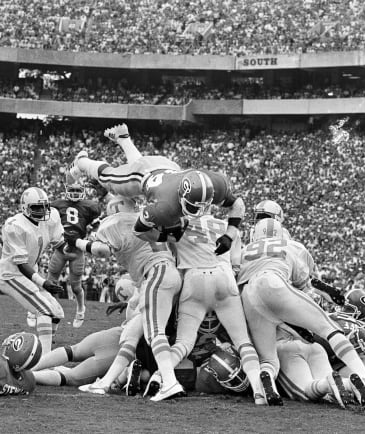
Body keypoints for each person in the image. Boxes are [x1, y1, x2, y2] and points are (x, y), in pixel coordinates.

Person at [238, 217, 365, 409]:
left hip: (249, 297)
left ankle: (265, 383)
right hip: (277, 286)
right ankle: (364, 377)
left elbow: (233, 291)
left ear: (254, 235)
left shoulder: (243, 252)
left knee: (270, 361)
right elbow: (307, 287)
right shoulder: (292, 246)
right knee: (329, 330)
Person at [69, 194, 183, 402]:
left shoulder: (117, 222)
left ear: (117, 206)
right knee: (132, 334)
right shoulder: (148, 218)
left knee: (153, 333)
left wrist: (79, 242)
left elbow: (102, 250)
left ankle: (170, 381)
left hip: (155, 274)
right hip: (168, 274)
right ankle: (105, 383)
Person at [72, 124, 245, 256]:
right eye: (193, 207)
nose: (198, 212)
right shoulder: (165, 208)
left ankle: (124, 139)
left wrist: (229, 235)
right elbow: (139, 230)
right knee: (109, 179)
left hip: (168, 167)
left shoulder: (215, 184)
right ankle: (82, 161)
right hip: (140, 176)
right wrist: (165, 237)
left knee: (138, 162)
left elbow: (237, 203)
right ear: (182, 197)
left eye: (203, 206)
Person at [163, 214, 269, 405]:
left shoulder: (180, 224)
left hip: (193, 280)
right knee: (243, 342)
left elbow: (171, 258)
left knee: (181, 343)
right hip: (224, 278)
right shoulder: (227, 226)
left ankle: (158, 376)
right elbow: (237, 266)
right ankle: (259, 390)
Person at [0, 187, 65, 354]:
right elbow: (21, 264)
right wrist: (44, 283)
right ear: (25, 207)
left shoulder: (51, 217)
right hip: (11, 276)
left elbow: (61, 246)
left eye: (44, 207)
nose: (42, 211)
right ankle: (45, 360)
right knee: (45, 311)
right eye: (36, 207)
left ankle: (39, 349)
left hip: (30, 273)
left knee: (57, 313)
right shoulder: (15, 225)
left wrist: (81, 247)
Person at [47, 174, 102, 328]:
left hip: (77, 249)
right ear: (66, 190)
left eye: (78, 190)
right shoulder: (57, 204)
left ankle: (80, 308)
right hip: (60, 248)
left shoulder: (89, 206)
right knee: (50, 282)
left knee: (76, 286)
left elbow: (97, 225)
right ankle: (51, 310)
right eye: (73, 190)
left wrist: (92, 234)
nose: (76, 193)